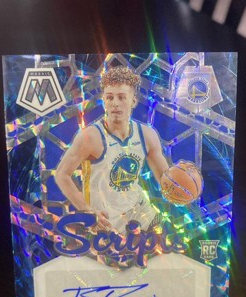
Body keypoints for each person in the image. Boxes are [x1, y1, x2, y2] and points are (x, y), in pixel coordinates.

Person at [55, 66, 169, 234]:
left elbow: (167, 181)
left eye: (121, 97)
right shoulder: (90, 137)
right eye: (110, 97)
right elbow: (61, 174)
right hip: (106, 219)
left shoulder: (147, 135)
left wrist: (182, 187)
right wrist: (87, 211)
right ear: (104, 101)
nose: (115, 103)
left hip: (140, 211)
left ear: (133, 101)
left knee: (166, 242)